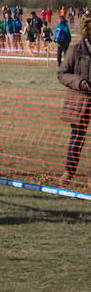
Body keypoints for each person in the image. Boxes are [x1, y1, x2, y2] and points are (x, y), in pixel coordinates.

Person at [57, 12, 91, 184]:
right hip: (80, 101)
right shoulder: (75, 50)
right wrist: (80, 83)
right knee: (77, 137)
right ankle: (69, 172)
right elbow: (62, 73)